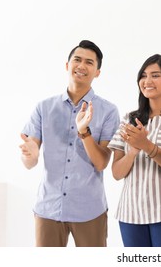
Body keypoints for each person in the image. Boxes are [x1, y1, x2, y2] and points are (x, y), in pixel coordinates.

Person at [19, 40, 120, 247]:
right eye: (77, 60)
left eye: (89, 62)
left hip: (89, 209)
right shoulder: (43, 108)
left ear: (97, 72)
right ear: (67, 65)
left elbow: (101, 163)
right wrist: (31, 156)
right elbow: (29, 161)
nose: (82, 66)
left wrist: (85, 133)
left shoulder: (109, 111)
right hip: (48, 208)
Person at [108, 54, 161, 247]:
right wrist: (132, 152)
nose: (147, 81)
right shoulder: (129, 118)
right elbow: (116, 173)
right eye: (143, 75)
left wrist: (147, 146)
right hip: (131, 215)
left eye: (155, 75)